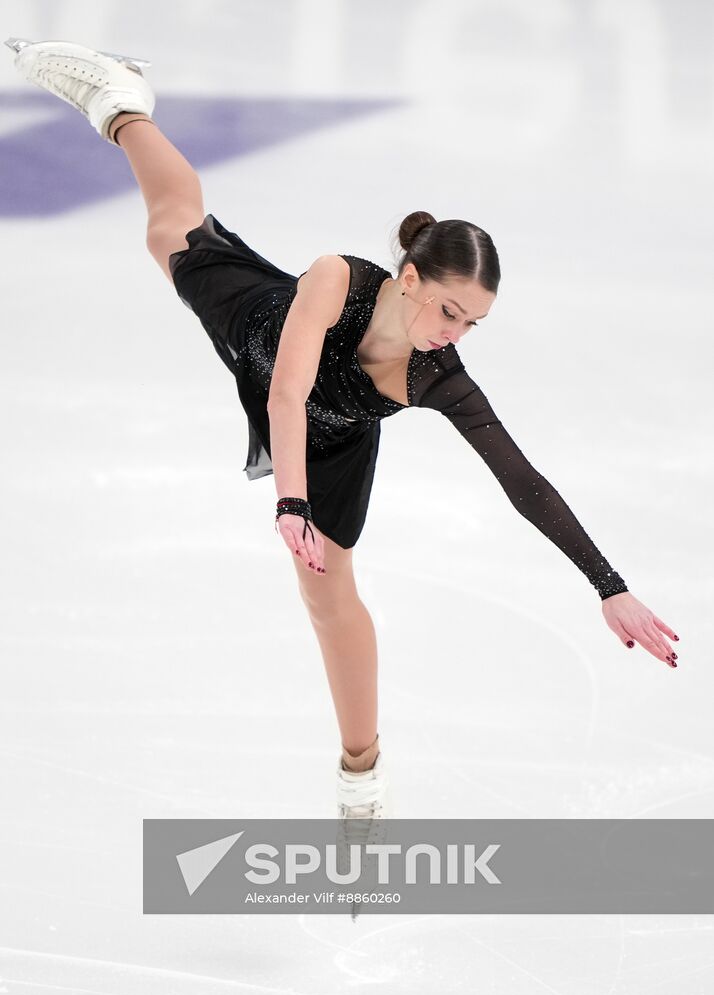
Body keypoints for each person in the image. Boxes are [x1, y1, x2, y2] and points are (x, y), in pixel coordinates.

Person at [6, 38, 681, 824]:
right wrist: (288, 505)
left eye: (474, 324)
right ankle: (120, 104)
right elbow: (286, 392)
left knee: (328, 595)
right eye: (449, 310)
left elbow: (524, 482)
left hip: (336, 440)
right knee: (170, 230)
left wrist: (611, 586)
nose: (455, 333)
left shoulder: (440, 378)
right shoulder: (337, 277)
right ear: (410, 279)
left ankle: (361, 772)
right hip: (262, 333)